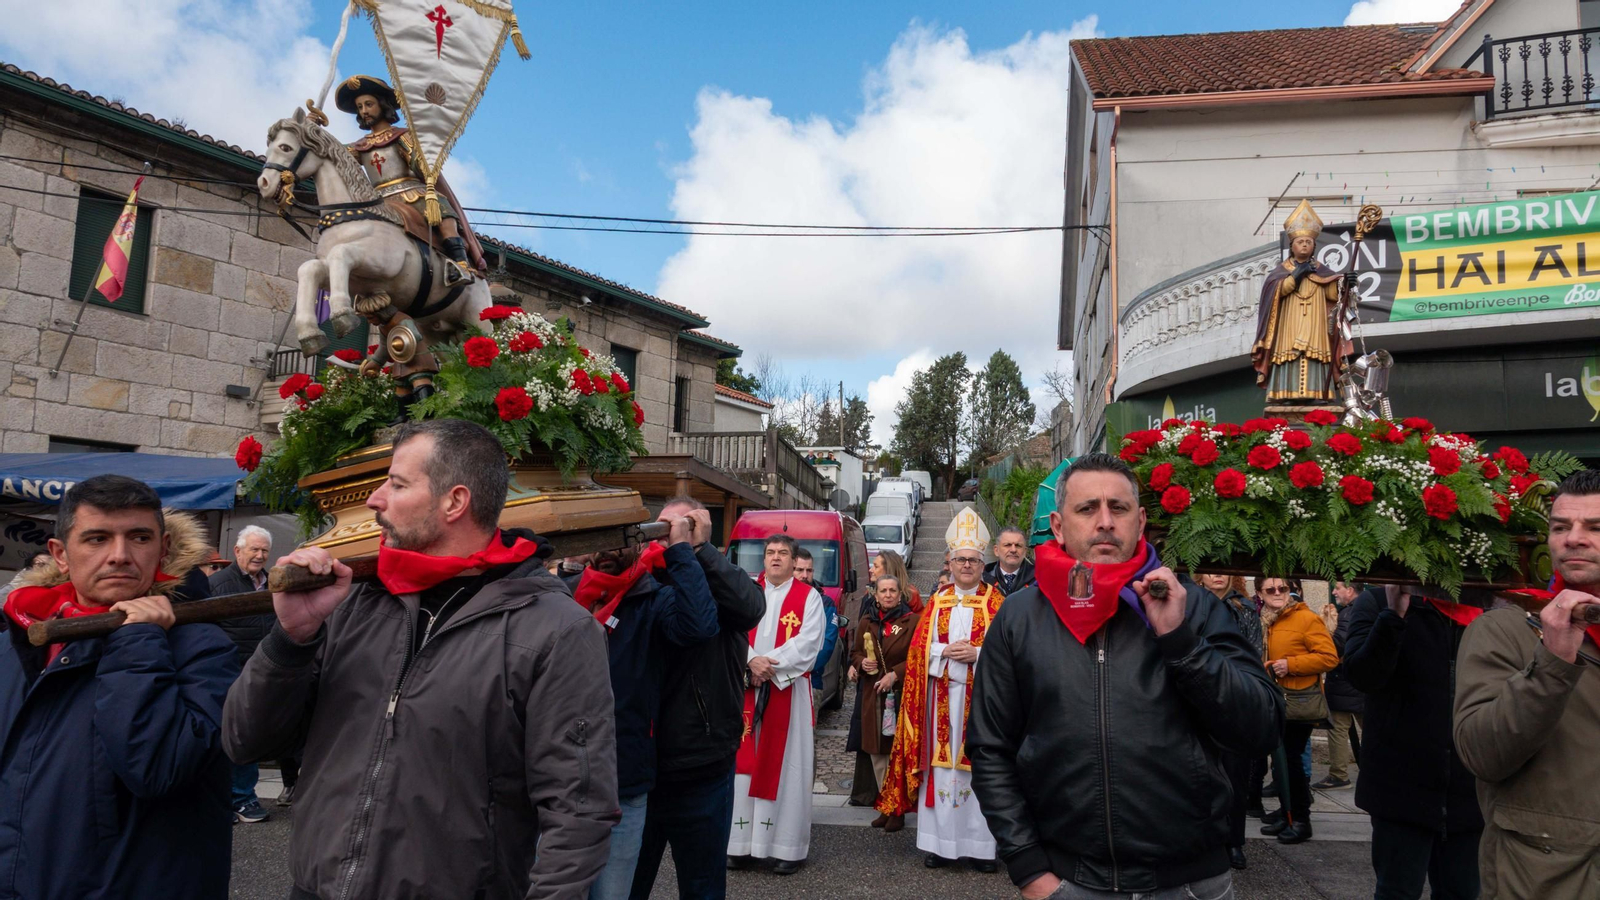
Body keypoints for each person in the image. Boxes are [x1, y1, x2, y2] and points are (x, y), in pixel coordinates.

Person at [223, 419, 620, 899]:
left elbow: (578, 808)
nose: (374, 499)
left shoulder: (554, 628)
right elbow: (244, 742)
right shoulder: (353, 603)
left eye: (396, 483)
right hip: (317, 889)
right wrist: (292, 639)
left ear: (454, 502)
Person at [966, 453, 1282, 898]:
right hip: (1070, 882)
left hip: (1189, 882)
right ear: (1058, 525)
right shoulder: (1020, 617)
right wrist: (1029, 868)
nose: (1105, 522)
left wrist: (1181, 643)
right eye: (1086, 508)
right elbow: (990, 747)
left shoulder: (1194, 606)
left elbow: (1260, 728)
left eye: (1118, 508)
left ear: (1141, 520)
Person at [0, 475, 238, 900]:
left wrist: (137, 639)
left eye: (139, 537)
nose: (120, 556)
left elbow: (157, 768)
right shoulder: (18, 639)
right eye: (96, 539)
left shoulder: (204, 647)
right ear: (61, 554)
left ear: (162, 549)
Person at [1455, 468, 1600, 900]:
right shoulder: (1505, 630)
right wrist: (1553, 661)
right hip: (1545, 878)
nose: (1573, 538)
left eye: (1595, 527)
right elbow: (1482, 753)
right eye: (1561, 527)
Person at [566, 508, 719, 900]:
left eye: (622, 539)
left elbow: (700, 625)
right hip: (560, 782)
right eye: (601, 541)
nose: (610, 550)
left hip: (625, 780)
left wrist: (683, 550)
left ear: (640, 545)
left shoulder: (652, 599)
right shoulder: (566, 594)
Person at [631, 497, 767, 900]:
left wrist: (699, 551)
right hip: (643, 768)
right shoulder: (644, 579)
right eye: (663, 527)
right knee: (628, 885)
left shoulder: (719, 578)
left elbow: (750, 606)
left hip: (703, 765)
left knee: (703, 887)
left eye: (680, 526)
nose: (669, 535)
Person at [876, 507, 1005, 872]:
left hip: (981, 705)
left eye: (973, 560)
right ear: (949, 562)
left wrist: (977, 653)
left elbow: (1011, 654)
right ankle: (939, 845)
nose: (966, 565)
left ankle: (981, 848)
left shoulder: (997, 604)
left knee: (980, 769)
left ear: (983, 565)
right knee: (941, 769)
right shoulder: (937, 602)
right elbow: (918, 649)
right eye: (960, 559)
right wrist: (944, 650)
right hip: (939, 701)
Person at [1345, 579, 1484, 900]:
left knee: (1461, 892)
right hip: (1400, 792)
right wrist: (1394, 616)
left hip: (1470, 793)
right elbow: (1361, 675)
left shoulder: (1488, 608)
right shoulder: (1378, 601)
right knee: (1396, 891)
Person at [726, 534, 826, 875]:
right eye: (770, 552)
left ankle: (786, 847)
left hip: (788, 691)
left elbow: (809, 642)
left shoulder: (808, 597)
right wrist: (751, 661)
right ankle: (738, 845)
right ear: (763, 558)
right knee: (743, 766)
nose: (776, 558)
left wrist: (768, 666)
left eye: (783, 553)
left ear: (792, 558)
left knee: (788, 767)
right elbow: (730, 634)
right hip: (745, 690)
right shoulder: (744, 593)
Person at [334, 74, 487, 280]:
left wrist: (423, 156)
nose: (364, 111)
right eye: (360, 106)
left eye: (368, 104)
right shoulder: (360, 146)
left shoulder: (402, 136)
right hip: (378, 199)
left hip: (412, 193)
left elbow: (417, 164)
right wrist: (311, 130)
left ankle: (459, 264)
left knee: (442, 210)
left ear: (382, 104)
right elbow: (333, 154)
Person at [1257, 576, 1338, 844]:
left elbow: (1329, 657)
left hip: (1298, 701)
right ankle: (1287, 812)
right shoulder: (1270, 619)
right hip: (1278, 701)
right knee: (1281, 763)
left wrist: (1291, 665)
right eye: (1271, 589)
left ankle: (1301, 820)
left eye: (1283, 588)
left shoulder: (1305, 618)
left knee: (1291, 761)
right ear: (1260, 593)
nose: (1278, 592)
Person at [208, 524, 277, 824]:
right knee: (227, 735)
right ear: (237, 551)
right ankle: (237, 798)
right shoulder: (218, 584)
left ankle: (239, 797)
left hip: (261, 669)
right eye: (254, 549)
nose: (259, 555)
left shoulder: (275, 582)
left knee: (248, 735)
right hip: (228, 670)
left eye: (264, 550)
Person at [1198, 572, 1262, 870]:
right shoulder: (1192, 604)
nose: (1217, 574)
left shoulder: (1245, 609)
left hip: (1234, 698)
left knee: (1236, 777)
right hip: (1200, 697)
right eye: (1210, 569)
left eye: (1223, 569)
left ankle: (1234, 842)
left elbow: (1253, 654)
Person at [849, 572, 918, 829]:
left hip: (900, 695)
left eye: (892, 591)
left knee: (896, 753)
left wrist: (895, 674)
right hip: (872, 695)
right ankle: (885, 804)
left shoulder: (912, 621)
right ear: (875, 595)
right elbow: (854, 652)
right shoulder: (867, 621)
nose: (888, 595)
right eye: (883, 591)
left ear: (900, 594)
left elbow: (917, 657)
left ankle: (898, 808)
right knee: (877, 753)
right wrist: (860, 662)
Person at [1316, 581, 1365, 790]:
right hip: (1362, 680)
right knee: (1371, 729)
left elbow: (1337, 645)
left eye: (1337, 588)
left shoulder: (1348, 614)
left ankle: (1338, 774)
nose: (1334, 592)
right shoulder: (1370, 609)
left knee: (1337, 728)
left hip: (1344, 680)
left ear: (1350, 590)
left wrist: (1321, 638)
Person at [982, 526, 1036, 597]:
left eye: (1018, 545)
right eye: (1007, 545)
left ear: (1025, 551)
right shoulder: (983, 580)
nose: (1013, 550)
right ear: (996, 550)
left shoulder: (1038, 580)